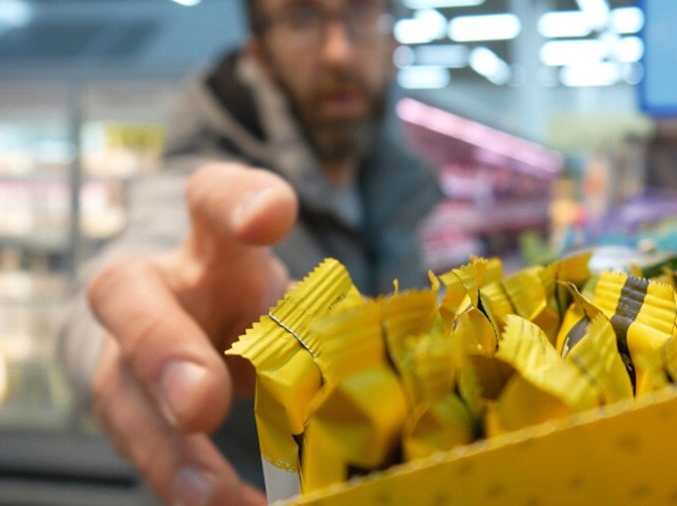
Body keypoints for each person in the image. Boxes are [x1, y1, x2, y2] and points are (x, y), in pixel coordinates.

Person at [58, 0, 442, 504]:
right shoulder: (213, 187)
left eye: (364, 16)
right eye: (302, 19)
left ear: (394, 43)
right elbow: (125, 275)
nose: (338, 52)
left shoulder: (399, 189)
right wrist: (121, 341)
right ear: (259, 53)